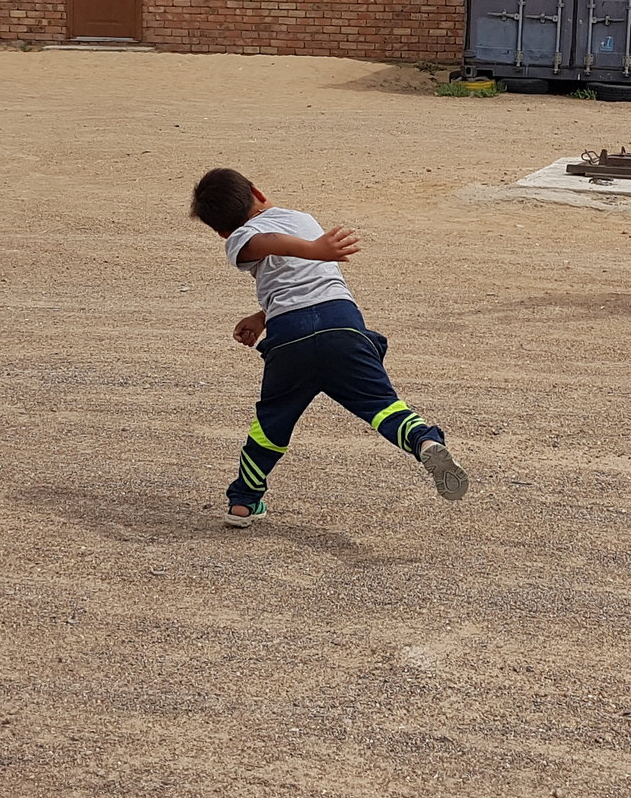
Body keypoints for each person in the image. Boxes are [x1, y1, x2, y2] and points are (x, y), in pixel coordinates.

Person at [191, 167, 466, 528]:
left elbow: (265, 243)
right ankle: (425, 444)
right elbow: (300, 274)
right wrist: (263, 313)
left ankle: (243, 501)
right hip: (341, 325)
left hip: (291, 336)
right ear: (257, 191)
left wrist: (312, 251)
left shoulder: (239, 240)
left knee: (271, 424)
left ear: (222, 231)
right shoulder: (302, 219)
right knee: (382, 406)